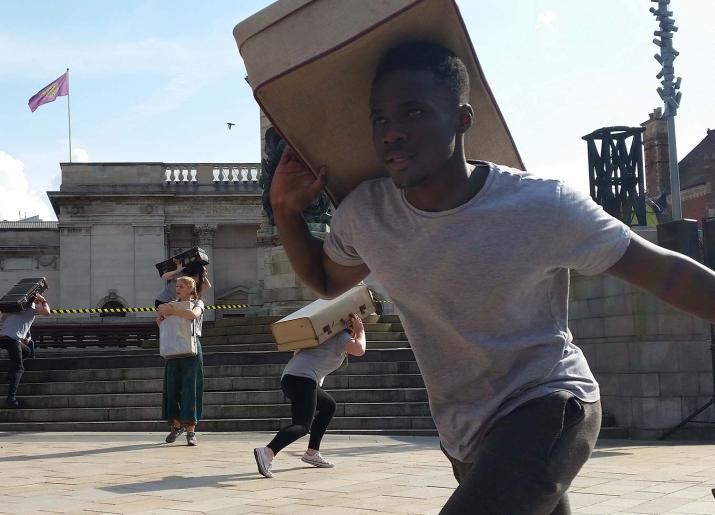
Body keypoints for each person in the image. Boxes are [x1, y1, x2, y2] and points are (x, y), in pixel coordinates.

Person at [268, 40, 715, 514]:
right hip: (465, 433)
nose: (392, 133)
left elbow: (662, 269)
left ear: (462, 118)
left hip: (549, 402)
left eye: (413, 113)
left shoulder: (540, 206)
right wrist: (285, 210)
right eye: (380, 119)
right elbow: (326, 280)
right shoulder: (367, 215)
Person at [253, 313, 367, 478]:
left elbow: (297, 354)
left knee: (328, 406)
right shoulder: (341, 336)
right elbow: (360, 349)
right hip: (303, 380)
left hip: (291, 378)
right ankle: (267, 452)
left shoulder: (321, 336)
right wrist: (361, 330)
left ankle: (312, 453)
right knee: (302, 425)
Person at [156, 276, 205, 446]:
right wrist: (161, 318)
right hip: (174, 349)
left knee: (191, 388)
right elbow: (162, 322)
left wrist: (171, 311)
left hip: (191, 350)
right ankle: (176, 426)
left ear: (191, 289)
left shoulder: (198, 303)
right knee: (173, 388)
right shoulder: (170, 304)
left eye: (182, 286)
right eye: (177, 286)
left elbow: (192, 315)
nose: (178, 289)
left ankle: (191, 431)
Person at [0, 292, 51, 408]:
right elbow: (47, 312)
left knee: (27, 351)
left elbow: (3, 317)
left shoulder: (14, 306)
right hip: (12, 340)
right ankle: (11, 398)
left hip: (4, 337)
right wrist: (43, 300)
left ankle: (9, 374)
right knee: (19, 369)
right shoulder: (33, 306)